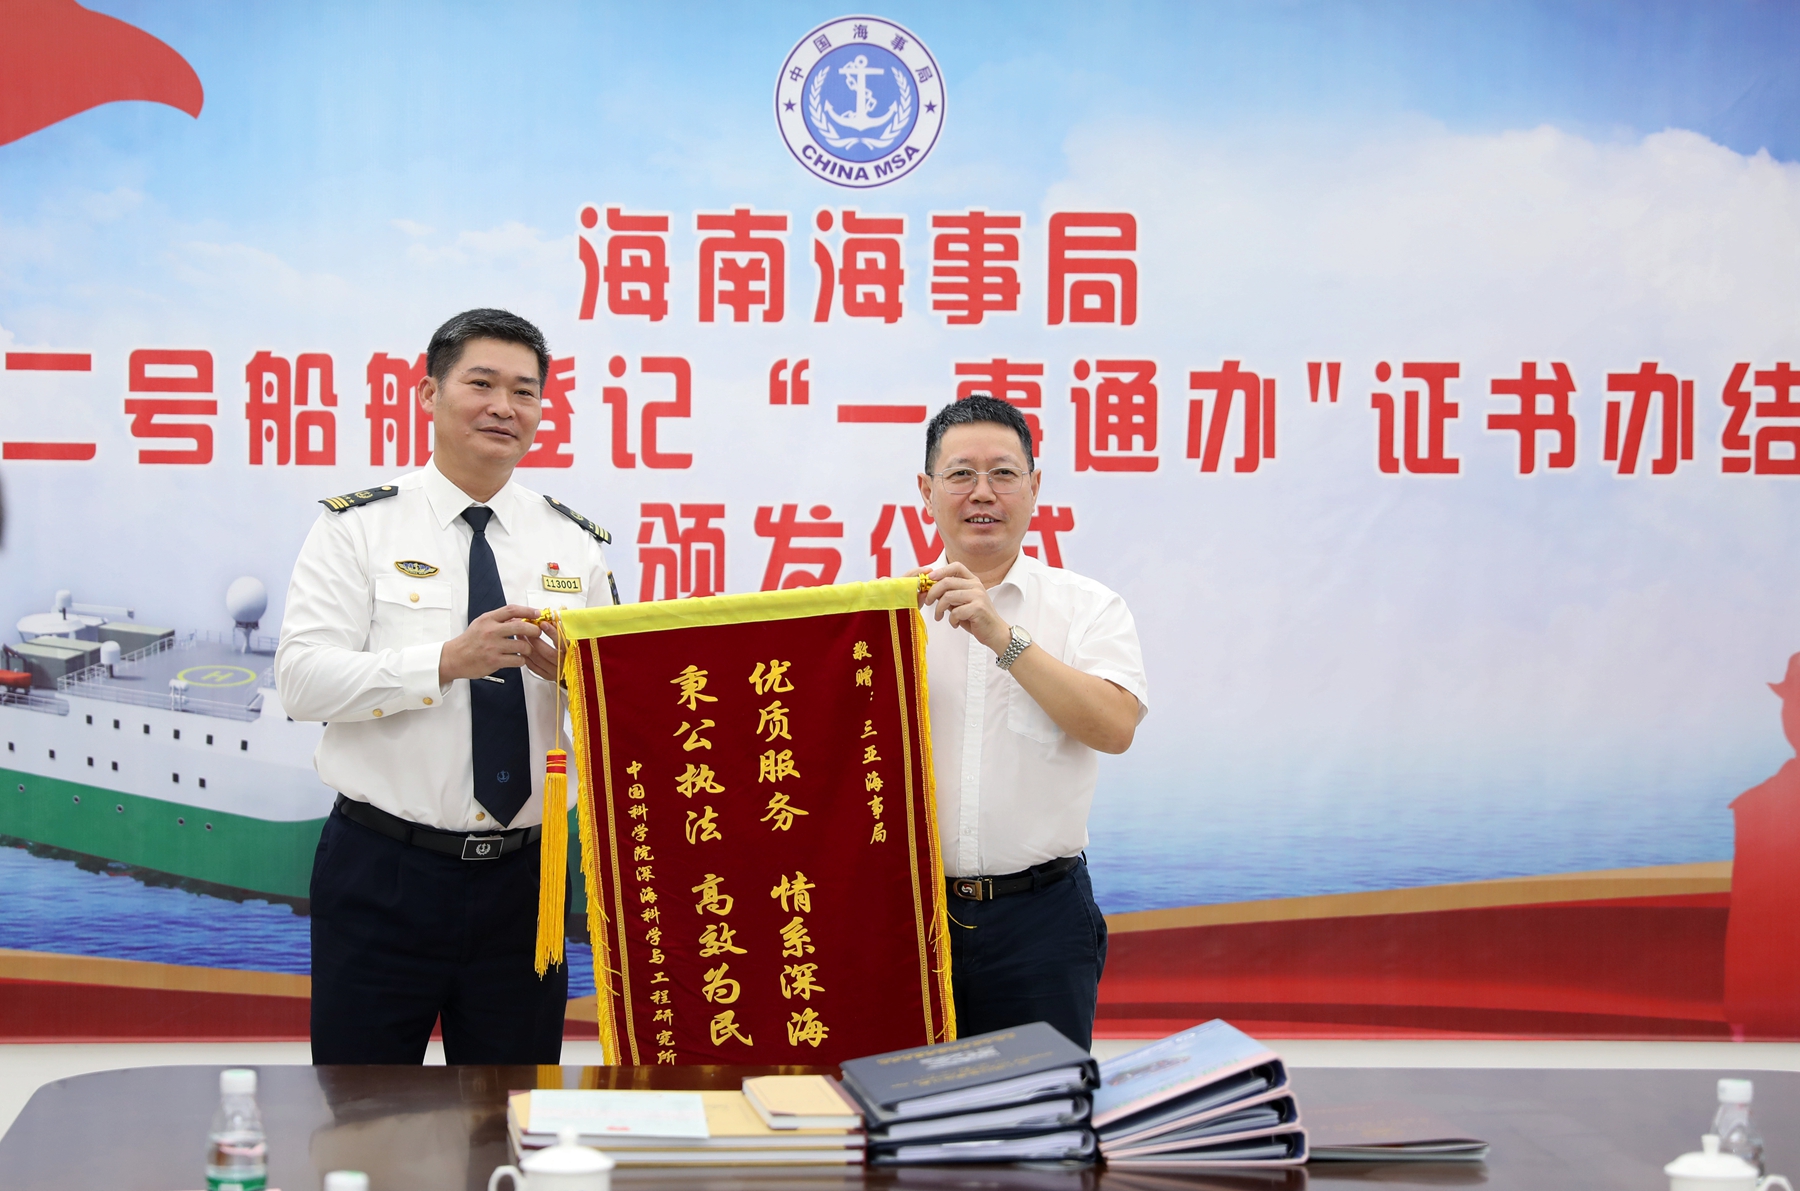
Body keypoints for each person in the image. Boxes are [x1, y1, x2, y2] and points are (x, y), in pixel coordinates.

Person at [276, 308, 617, 1064]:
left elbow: (620, 712)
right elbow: (301, 681)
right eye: (482, 384)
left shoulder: (574, 544)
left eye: (524, 391)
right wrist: (442, 661)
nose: (504, 407)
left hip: (527, 879)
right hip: (384, 869)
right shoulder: (358, 529)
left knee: (509, 1109)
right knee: (360, 1106)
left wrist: (576, 679)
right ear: (429, 393)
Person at [914, 395, 1148, 1050]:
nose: (982, 493)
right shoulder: (890, 617)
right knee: (904, 1106)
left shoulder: (1088, 608)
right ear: (927, 491)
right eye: (961, 474)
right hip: (912, 920)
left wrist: (1001, 635)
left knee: (1042, 1110)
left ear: (1035, 487)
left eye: (1003, 473)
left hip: (1041, 922)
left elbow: (1115, 728)